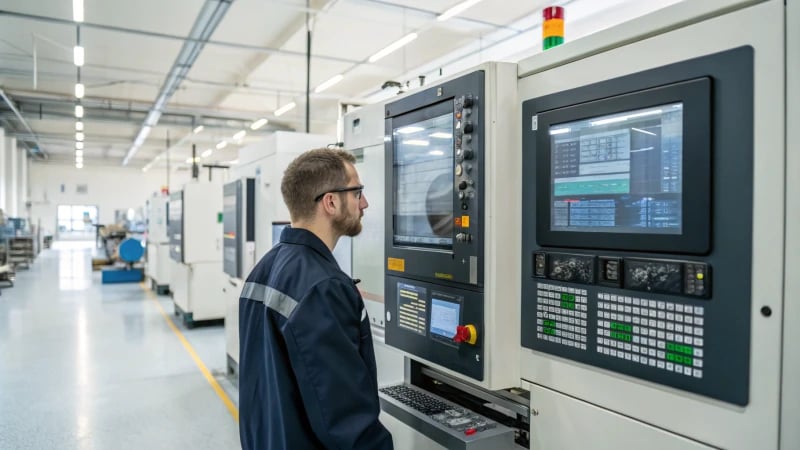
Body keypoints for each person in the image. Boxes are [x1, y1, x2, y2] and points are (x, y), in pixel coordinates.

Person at [238, 148, 393, 450]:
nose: (364, 203)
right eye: (357, 192)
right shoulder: (324, 288)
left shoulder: (263, 269)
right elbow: (345, 420)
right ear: (331, 202)